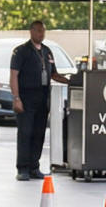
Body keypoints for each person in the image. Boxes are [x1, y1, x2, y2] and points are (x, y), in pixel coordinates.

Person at [10, 19, 69, 181]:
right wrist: (16, 98)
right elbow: (14, 75)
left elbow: (54, 74)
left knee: (39, 133)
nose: (41, 34)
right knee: (25, 132)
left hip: (43, 97)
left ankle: (34, 167)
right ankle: (22, 168)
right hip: (26, 97)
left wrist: (71, 81)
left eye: (43, 31)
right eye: (38, 31)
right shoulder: (21, 51)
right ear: (31, 31)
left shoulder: (47, 51)